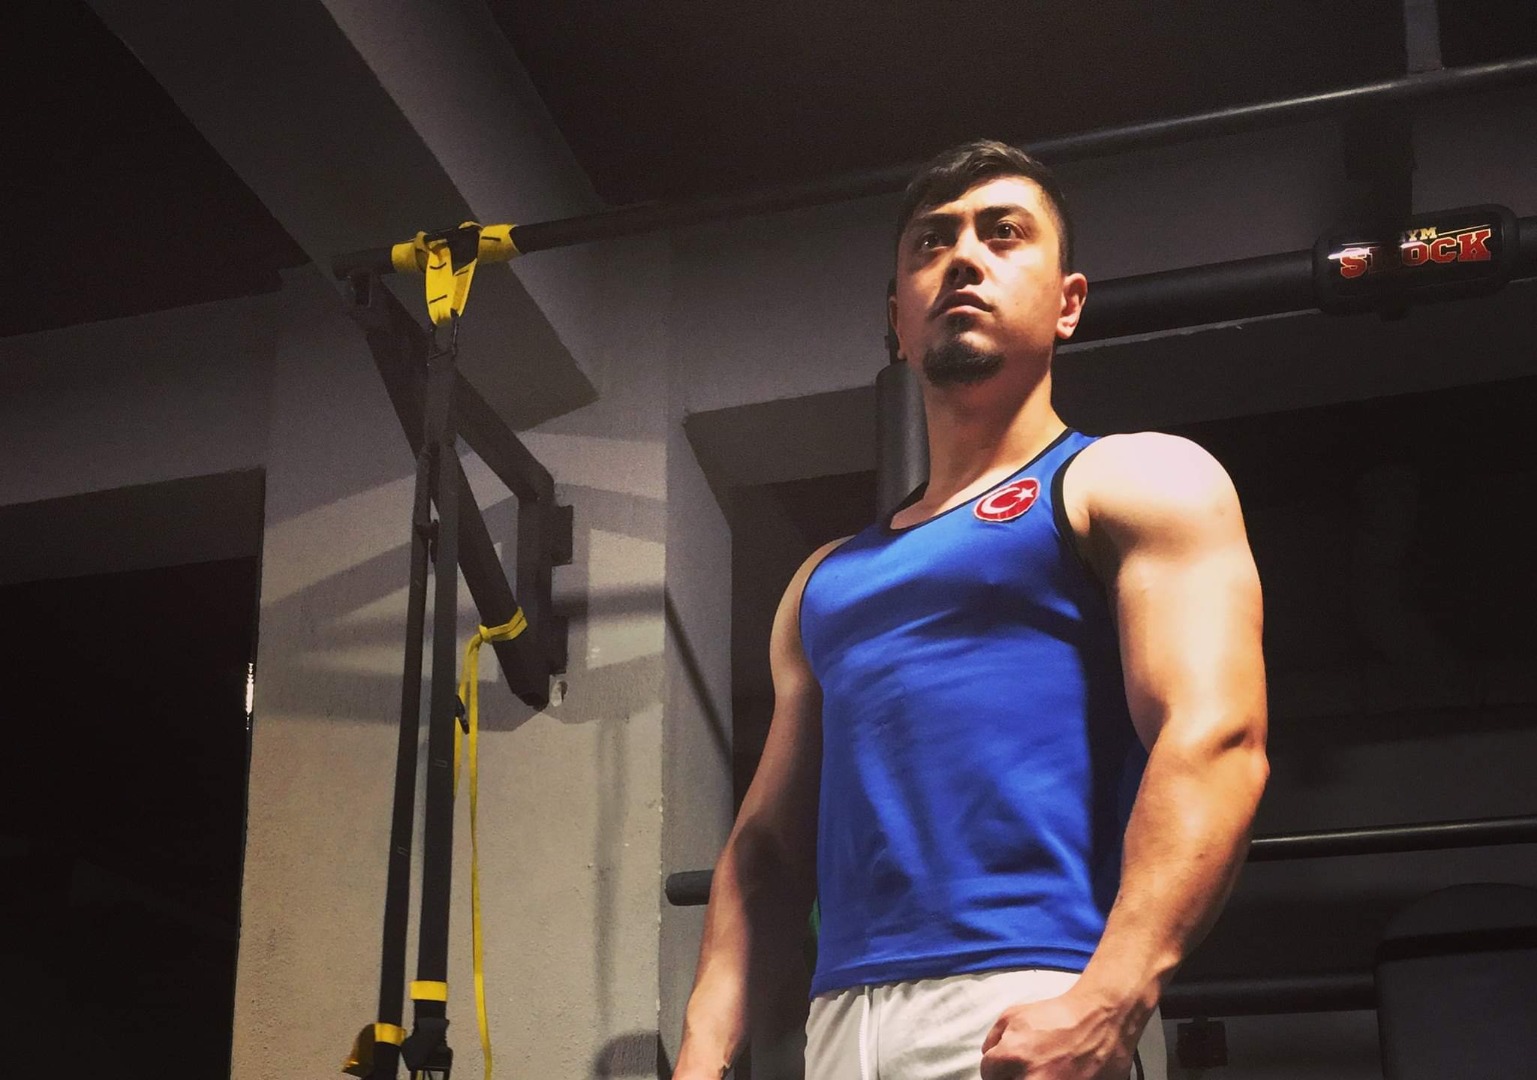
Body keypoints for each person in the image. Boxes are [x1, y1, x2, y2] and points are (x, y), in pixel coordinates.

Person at [674, 140, 1269, 1080]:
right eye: (931, 242)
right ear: (895, 322)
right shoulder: (824, 578)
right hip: (840, 1021)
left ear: (1068, 302)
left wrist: (1110, 997)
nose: (962, 258)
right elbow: (768, 850)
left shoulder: (1130, 479)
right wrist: (701, 1060)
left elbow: (1214, 737)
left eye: (1003, 234)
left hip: (1032, 992)